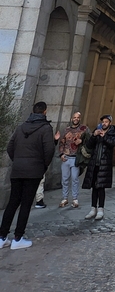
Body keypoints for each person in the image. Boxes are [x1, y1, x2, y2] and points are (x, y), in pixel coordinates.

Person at [0, 101, 55, 249]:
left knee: (12, 202)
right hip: (34, 170)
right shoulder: (45, 128)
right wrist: (43, 166)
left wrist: (17, 161)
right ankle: (18, 238)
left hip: (18, 169)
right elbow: (49, 150)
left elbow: (10, 146)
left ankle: (2, 236)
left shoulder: (21, 127)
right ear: (44, 112)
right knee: (25, 204)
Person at [81, 114, 115, 221]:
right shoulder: (97, 131)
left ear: (110, 123)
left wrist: (104, 136)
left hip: (104, 164)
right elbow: (89, 145)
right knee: (94, 187)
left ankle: (101, 209)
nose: (104, 123)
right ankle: (93, 208)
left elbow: (112, 144)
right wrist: (94, 135)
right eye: (103, 121)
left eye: (106, 121)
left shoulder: (112, 133)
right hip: (95, 163)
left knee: (101, 187)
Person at [57, 110, 88, 208]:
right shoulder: (66, 130)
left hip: (76, 157)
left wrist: (82, 141)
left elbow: (90, 140)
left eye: (78, 117)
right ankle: (65, 197)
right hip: (66, 156)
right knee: (65, 179)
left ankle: (75, 198)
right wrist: (61, 154)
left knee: (75, 179)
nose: (76, 119)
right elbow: (62, 142)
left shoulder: (84, 129)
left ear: (80, 119)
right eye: (74, 117)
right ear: (71, 119)